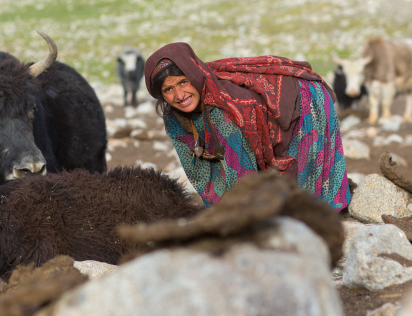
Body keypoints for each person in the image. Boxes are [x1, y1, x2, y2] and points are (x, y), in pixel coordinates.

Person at [144, 42, 351, 211]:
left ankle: (328, 218)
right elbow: (199, 173)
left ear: (195, 76)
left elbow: (242, 174)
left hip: (302, 99)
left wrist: (241, 218)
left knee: (308, 187)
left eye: (182, 82)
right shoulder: (174, 120)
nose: (179, 95)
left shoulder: (222, 112)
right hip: (266, 112)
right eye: (168, 89)